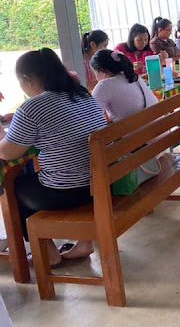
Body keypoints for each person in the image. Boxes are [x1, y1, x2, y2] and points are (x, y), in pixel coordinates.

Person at [0, 48, 106, 266]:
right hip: (100, 183)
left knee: (14, 186)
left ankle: (48, 253)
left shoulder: (32, 107)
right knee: (38, 175)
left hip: (68, 192)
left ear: (29, 79)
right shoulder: (81, 94)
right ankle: (84, 243)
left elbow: (7, 152)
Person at [91, 49, 158, 122]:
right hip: (158, 124)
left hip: (137, 127)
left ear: (101, 71)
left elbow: (92, 119)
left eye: (95, 73)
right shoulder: (133, 76)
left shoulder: (104, 86)